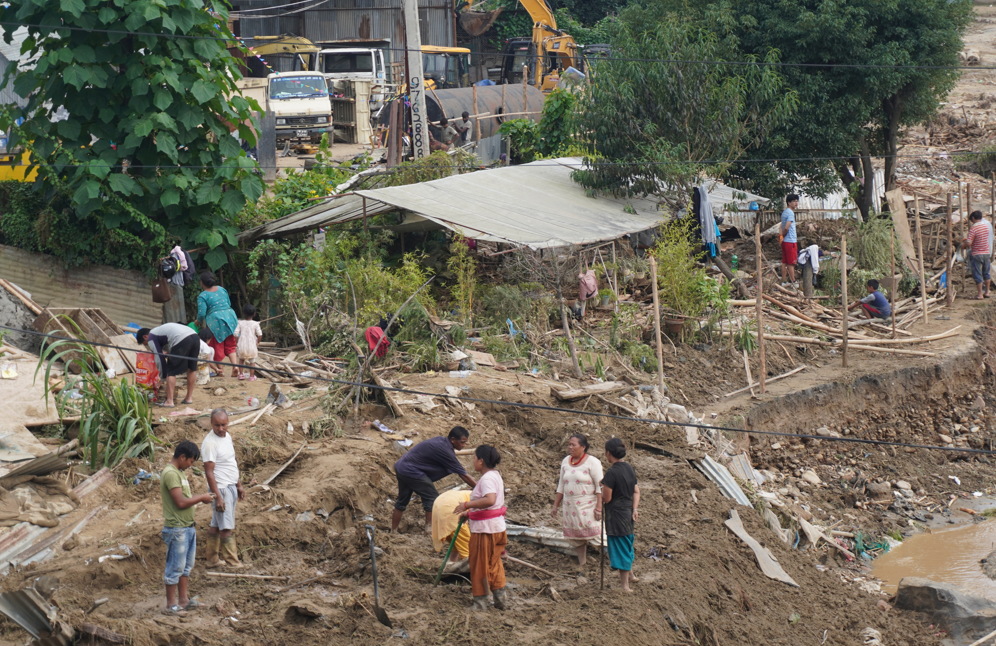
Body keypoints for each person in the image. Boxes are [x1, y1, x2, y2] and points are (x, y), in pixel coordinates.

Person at [159, 441, 215, 616]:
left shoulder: (180, 472)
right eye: (190, 461)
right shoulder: (170, 474)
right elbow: (180, 502)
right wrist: (201, 498)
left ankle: (183, 601)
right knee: (175, 567)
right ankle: (170, 605)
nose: (191, 465)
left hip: (187, 527)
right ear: (182, 457)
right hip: (177, 529)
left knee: (185, 567)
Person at [391, 426, 477, 533]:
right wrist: (478, 488)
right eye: (462, 442)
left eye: (465, 443)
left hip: (401, 467)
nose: (464, 445)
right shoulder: (446, 451)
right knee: (432, 498)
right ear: (453, 440)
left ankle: (393, 532)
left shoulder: (441, 441)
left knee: (401, 501)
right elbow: (463, 475)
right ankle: (429, 530)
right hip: (412, 472)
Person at [454, 445, 507, 611]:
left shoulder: (487, 479)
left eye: (474, 458)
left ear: (481, 460)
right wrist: (470, 514)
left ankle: (481, 602)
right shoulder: (495, 476)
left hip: (485, 530)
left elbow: (490, 500)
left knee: (479, 564)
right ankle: (500, 599)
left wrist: (466, 505)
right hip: (496, 527)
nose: (473, 461)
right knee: (494, 562)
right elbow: (491, 507)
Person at [201, 409, 245, 568]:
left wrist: (238, 485)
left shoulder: (227, 437)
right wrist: (218, 496)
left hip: (230, 485)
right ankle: (233, 562)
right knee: (226, 526)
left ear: (228, 423)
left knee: (216, 524)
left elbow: (231, 463)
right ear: (211, 424)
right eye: (217, 425)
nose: (221, 428)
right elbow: (209, 472)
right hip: (221, 488)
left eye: (224, 425)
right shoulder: (210, 443)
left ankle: (211, 559)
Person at [551, 433, 603, 569]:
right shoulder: (565, 461)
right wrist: (555, 506)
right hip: (570, 506)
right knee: (577, 537)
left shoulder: (593, 462)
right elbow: (561, 485)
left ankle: (615, 563)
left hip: (588, 506)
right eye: (569, 444)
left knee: (598, 536)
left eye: (573, 445)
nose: (570, 447)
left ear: (583, 447)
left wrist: (599, 507)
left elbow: (600, 487)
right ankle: (582, 563)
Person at [601, 438, 640, 592]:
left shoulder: (611, 473)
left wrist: (602, 489)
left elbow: (607, 498)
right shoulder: (629, 468)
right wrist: (635, 509)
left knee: (620, 547)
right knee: (627, 543)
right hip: (628, 513)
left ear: (608, 453)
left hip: (616, 516)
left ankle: (625, 586)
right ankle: (631, 575)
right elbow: (636, 491)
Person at [137, 323, 199, 407]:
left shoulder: (151, 337)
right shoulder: (159, 331)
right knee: (191, 368)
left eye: (146, 344)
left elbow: (159, 358)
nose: (148, 346)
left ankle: (169, 401)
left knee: (170, 371)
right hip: (195, 337)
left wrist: (162, 378)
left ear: (145, 337)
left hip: (181, 339)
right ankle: (188, 398)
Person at [196, 271, 239, 378]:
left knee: (217, 345)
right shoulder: (221, 289)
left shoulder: (203, 295)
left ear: (202, 283)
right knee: (230, 344)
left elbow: (201, 313)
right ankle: (235, 366)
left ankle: (221, 371)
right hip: (230, 317)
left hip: (215, 321)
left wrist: (198, 321)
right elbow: (228, 303)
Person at [433, 488, 472, 574]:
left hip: (439, 503)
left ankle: (451, 564)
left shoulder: (470, 493)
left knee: (455, 540)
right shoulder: (485, 499)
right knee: (467, 545)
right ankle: (469, 573)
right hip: (452, 506)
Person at [963, 211, 992, 299]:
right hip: (986, 252)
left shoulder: (974, 228)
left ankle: (980, 294)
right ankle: (987, 292)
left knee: (977, 274)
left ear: (973, 218)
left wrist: (964, 242)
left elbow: (969, 243)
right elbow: (981, 238)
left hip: (977, 254)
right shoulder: (986, 226)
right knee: (986, 273)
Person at [235, 304, 263, 381]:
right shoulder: (256, 323)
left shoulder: (240, 323)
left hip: (242, 344)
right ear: (254, 314)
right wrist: (258, 342)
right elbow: (260, 334)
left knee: (241, 359)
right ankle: (251, 376)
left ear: (243, 313)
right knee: (252, 361)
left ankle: (241, 375)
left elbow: (236, 334)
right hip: (252, 344)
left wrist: (237, 342)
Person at [781, 194, 799, 285]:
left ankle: (784, 281)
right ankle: (794, 282)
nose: (796, 203)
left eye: (797, 201)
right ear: (789, 202)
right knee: (791, 263)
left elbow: (782, 226)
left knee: (784, 261)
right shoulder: (790, 213)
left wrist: (781, 237)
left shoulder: (784, 212)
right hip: (790, 241)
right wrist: (783, 235)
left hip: (785, 242)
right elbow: (786, 227)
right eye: (794, 201)